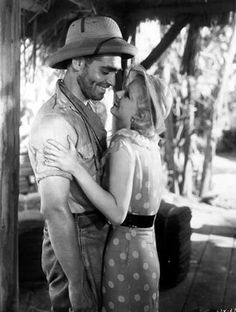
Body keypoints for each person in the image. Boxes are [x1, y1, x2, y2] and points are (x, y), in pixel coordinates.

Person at [28, 16, 137, 312]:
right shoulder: (54, 123)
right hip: (74, 237)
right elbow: (53, 208)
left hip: (96, 230)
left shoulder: (93, 108)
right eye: (105, 70)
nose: (112, 82)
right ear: (77, 62)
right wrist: (76, 283)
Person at [43, 65, 172, 312]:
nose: (119, 93)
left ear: (141, 116)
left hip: (125, 252)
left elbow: (116, 213)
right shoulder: (150, 147)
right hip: (147, 252)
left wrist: (74, 166)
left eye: (128, 96)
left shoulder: (125, 146)